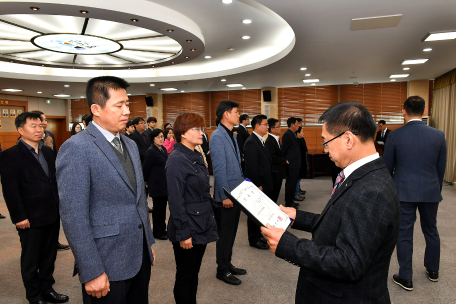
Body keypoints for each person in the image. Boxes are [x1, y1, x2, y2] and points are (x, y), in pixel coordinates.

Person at [261, 102, 400, 304]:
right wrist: (298, 217)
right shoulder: (362, 175)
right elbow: (342, 222)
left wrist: (287, 244)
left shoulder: (372, 190)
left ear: (348, 139)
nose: (325, 149)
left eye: (326, 142)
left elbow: (349, 263)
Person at [56, 76, 156, 304]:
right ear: (96, 109)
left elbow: (138, 200)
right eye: (118, 105)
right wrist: (91, 270)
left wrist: (148, 243)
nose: (126, 111)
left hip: (138, 254)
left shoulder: (129, 143)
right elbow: (74, 217)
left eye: (127, 104)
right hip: (105, 261)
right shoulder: (76, 148)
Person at [0, 112, 69, 304]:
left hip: (51, 213)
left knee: (49, 255)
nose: (39, 130)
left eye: (41, 126)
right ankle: (34, 295)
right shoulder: (10, 155)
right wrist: (19, 216)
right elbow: (10, 190)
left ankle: (47, 289)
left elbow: (54, 181)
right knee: (31, 259)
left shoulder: (48, 152)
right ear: (20, 130)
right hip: (29, 216)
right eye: (33, 126)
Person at [383, 96, 447, 291]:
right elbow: (440, 168)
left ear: (403, 111)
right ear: (424, 112)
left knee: (404, 233)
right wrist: (435, 189)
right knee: (431, 230)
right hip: (430, 191)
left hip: (403, 192)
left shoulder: (394, 135)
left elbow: (387, 167)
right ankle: (433, 270)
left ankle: (406, 277)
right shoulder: (439, 135)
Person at [166, 113, 218, 304]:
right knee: (185, 275)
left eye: (201, 129)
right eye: (196, 129)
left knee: (194, 273)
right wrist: (183, 232)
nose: (201, 133)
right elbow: (175, 199)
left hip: (202, 221)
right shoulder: (177, 159)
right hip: (188, 225)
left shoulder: (196, 154)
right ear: (182, 133)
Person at [210, 100, 246, 286]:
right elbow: (219, 168)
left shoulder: (230, 134)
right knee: (225, 234)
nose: (238, 114)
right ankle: (221, 270)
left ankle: (227, 263)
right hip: (227, 195)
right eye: (236, 111)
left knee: (231, 233)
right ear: (226, 114)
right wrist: (224, 195)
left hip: (236, 192)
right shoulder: (217, 136)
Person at [31, 110, 69, 251]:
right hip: (36, 190)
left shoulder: (49, 136)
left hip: (51, 185)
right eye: (42, 120)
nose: (44, 123)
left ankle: (55, 242)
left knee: (53, 218)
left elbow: (54, 156)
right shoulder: (26, 143)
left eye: (45, 121)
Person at [243, 114, 272, 250]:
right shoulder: (251, 142)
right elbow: (251, 167)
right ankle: (253, 239)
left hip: (264, 181)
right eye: (265, 124)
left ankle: (258, 234)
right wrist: (257, 184)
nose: (268, 127)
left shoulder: (259, 140)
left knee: (260, 211)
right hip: (257, 184)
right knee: (254, 212)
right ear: (257, 126)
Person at [143, 129, 169, 240]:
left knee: (163, 209)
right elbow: (145, 168)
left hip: (164, 184)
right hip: (156, 184)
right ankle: (157, 232)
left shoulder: (162, 149)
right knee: (158, 209)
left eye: (162, 136)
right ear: (153, 138)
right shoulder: (151, 151)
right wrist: (146, 181)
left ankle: (162, 229)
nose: (161, 139)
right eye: (158, 137)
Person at [265, 118, 288, 204]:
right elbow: (272, 157)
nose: (280, 128)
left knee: (276, 193)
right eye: (278, 127)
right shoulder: (269, 141)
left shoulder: (276, 138)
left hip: (279, 171)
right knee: (273, 194)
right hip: (275, 171)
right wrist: (284, 160)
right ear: (272, 129)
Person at [282, 117, 301, 208]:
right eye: (297, 124)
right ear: (292, 124)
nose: (298, 125)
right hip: (291, 164)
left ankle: (291, 201)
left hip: (295, 163)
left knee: (293, 184)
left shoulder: (293, 134)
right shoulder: (287, 134)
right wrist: (286, 161)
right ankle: (288, 203)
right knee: (290, 184)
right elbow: (284, 149)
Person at [295, 126, 308, 200]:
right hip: (298, 162)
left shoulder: (301, 139)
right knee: (297, 179)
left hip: (301, 162)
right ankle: (296, 193)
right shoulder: (297, 141)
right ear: (298, 133)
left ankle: (298, 191)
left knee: (299, 179)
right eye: (302, 132)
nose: (303, 133)